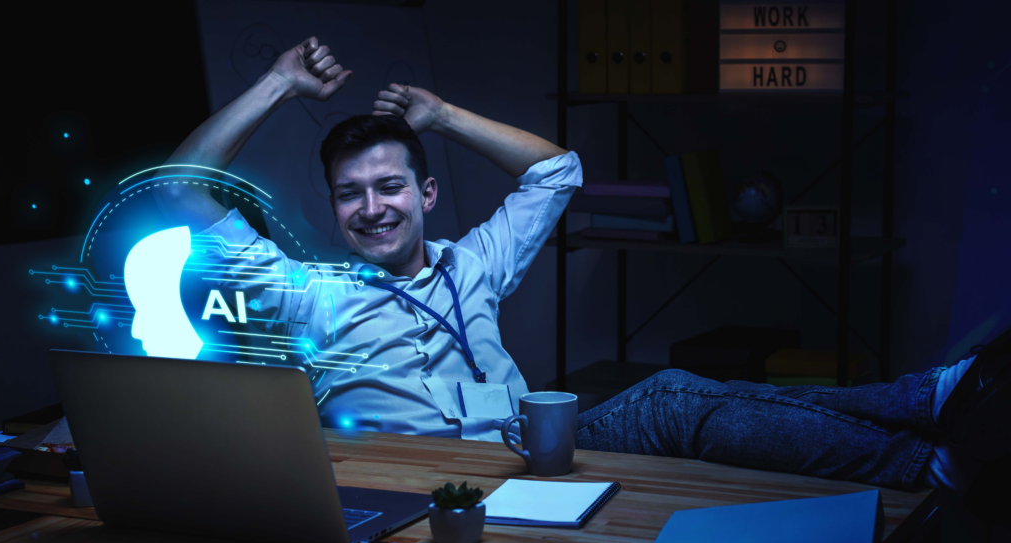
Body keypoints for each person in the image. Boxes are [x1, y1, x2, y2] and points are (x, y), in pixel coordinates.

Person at [153, 36, 1010, 496]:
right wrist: (275, 83)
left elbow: (554, 170)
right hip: (431, 487)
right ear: (333, 209)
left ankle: (928, 415)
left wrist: (443, 113)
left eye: (390, 188)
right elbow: (183, 192)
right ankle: (927, 439)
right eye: (351, 195)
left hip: (537, 453)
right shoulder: (311, 294)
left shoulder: (470, 264)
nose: (372, 208)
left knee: (676, 397)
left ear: (427, 194)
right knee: (679, 395)